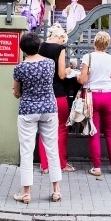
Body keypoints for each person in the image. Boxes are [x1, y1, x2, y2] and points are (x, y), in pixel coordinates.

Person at [12, 32, 62, 203]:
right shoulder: (50, 63)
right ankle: (56, 190)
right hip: (49, 108)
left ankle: (26, 193)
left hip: (28, 110)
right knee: (52, 149)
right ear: (39, 46)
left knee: (26, 151)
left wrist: (18, 92)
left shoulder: (19, 68)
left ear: (22, 49)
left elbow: (17, 92)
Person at [78, 31, 111, 176]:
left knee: (94, 131)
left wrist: (78, 77)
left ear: (94, 42)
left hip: (92, 96)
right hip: (108, 94)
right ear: (107, 44)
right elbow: (110, 76)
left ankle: (97, 167)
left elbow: (83, 79)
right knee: (110, 132)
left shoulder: (88, 57)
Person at [36, 23, 73, 174]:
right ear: (59, 37)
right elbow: (61, 74)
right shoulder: (60, 49)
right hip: (58, 93)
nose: (63, 41)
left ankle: (45, 165)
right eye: (63, 39)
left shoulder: (40, 47)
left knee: (43, 129)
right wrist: (69, 70)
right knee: (61, 128)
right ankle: (61, 164)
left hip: (42, 93)